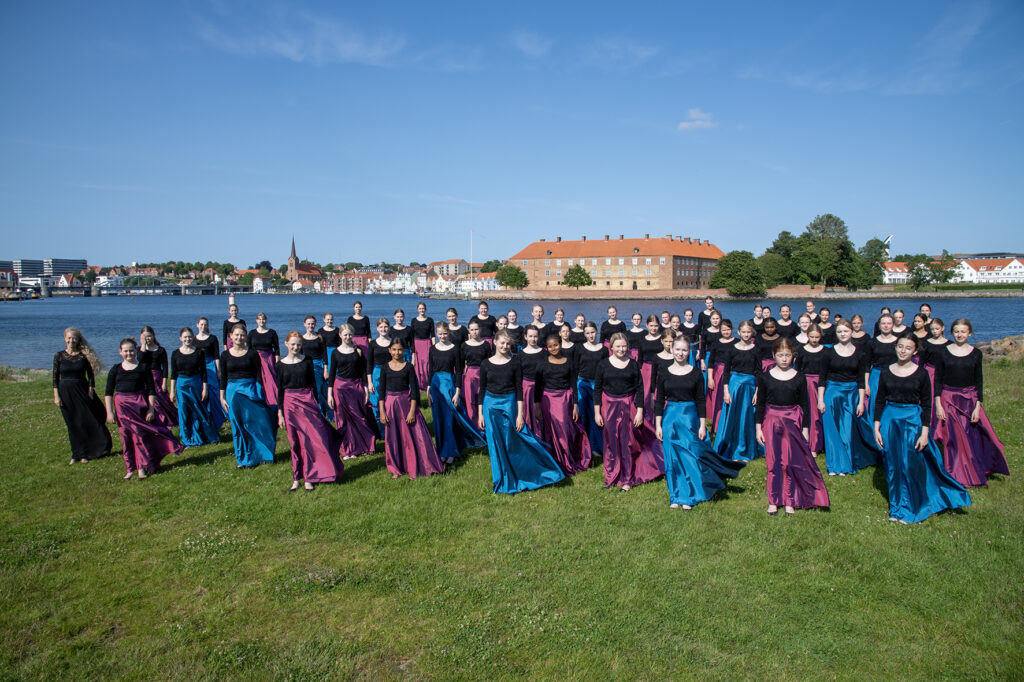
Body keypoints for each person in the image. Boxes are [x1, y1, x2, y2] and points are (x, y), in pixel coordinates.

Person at [873, 336, 971, 524]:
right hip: (889, 421)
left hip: (912, 421)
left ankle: (914, 507)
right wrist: (877, 427)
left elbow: (927, 405)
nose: (902, 350)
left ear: (914, 351)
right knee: (893, 466)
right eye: (900, 346)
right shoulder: (886, 371)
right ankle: (896, 507)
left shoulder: (921, 373)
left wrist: (925, 432)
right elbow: (879, 401)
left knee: (910, 465)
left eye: (907, 348)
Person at [655, 337, 744, 509]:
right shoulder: (664, 372)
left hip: (689, 418)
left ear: (689, 352)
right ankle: (676, 496)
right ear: (672, 349)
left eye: (684, 350)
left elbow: (701, 401)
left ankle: (691, 494)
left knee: (691, 455)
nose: (680, 353)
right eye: (677, 349)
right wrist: (658, 425)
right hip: (669, 419)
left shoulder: (695, 373)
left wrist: (703, 425)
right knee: (672, 458)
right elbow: (659, 400)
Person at [478, 331, 566, 494]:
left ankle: (541, 471)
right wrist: (480, 414)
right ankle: (501, 479)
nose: (505, 346)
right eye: (502, 343)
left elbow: (519, 389)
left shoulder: (515, 362)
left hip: (509, 404)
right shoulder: (485, 364)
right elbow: (481, 391)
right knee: (495, 444)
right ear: (495, 342)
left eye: (507, 344)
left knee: (515, 440)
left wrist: (520, 415)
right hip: (490, 407)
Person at [756, 339, 830, 515]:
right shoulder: (765, 377)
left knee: (789, 462)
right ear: (774, 356)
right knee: (773, 462)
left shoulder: (799, 377)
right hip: (771, 422)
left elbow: (806, 405)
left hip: (792, 421)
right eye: (780, 355)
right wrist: (758, 427)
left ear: (793, 357)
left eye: (787, 355)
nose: (783, 359)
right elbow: (760, 404)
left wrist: (805, 429)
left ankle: (789, 499)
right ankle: (774, 500)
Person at [933, 319, 1009, 487]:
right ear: (952, 332)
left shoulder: (976, 354)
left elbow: (978, 380)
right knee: (953, 438)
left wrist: (977, 405)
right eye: (957, 331)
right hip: (949, 399)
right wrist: (938, 404)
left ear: (970, 333)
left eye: (963, 331)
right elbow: (937, 380)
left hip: (969, 400)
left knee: (972, 436)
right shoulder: (943, 353)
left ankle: (975, 467)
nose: (960, 335)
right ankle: (954, 472)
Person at [594, 333, 665, 490]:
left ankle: (628, 478)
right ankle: (611, 476)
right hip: (609, 406)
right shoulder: (603, 365)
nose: (621, 349)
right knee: (611, 442)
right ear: (611, 347)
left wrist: (639, 412)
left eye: (624, 346)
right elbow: (597, 389)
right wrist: (597, 412)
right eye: (618, 346)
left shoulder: (633, 364)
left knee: (628, 442)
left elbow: (640, 389)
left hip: (628, 406)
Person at [106, 337, 183, 479]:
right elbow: (108, 392)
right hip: (122, 408)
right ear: (120, 352)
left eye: (131, 351)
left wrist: (151, 409)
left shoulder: (143, 367)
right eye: (126, 351)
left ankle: (141, 467)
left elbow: (151, 390)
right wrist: (109, 412)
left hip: (139, 407)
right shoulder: (115, 369)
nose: (129, 354)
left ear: (136, 351)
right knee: (126, 438)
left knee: (139, 437)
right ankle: (129, 468)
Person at [277, 331, 344, 491]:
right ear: (286, 344)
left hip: (307, 402)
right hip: (289, 404)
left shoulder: (307, 361)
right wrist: (280, 413)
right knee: (294, 442)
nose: (295, 347)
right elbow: (280, 390)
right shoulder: (280, 364)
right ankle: (296, 477)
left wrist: (316, 405)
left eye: (298, 345)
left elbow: (313, 386)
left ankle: (309, 477)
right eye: (293, 344)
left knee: (309, 440)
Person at [817, 319, 880, 476]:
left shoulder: (860, 354)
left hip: (851, 394)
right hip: (832, 393)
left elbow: (860, 381)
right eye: (839, 332)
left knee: (846, 430)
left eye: (845, 331)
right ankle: (833, 466)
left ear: (851, 332)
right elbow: (822, 378)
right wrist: (820, 399)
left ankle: (845, 464)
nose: (842, 334)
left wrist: (860, 402)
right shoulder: (828, 352)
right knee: (832, 431)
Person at [379, 339, 444, 479]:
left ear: (404, 351)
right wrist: (382, 411)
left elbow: (414, 391)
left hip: (406, 404)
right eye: (394, 349)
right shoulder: (384, 368)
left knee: (413, 436)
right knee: (394, 438)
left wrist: (412, 411)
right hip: (391, 405)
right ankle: (396, 468)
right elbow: (381, 392)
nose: (397, 352)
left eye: (400, 349)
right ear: (389, 350)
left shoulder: (408, 367)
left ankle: (416, 464)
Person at [219, 324, 276, 468]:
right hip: (232, 393)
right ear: (231, 336)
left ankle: (261, 454)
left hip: (249, 390)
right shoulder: (225, 355)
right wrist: (222, 397)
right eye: (236, 335)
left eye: (242, 335)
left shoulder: (252, 353)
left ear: (246, 336)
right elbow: (223, 378)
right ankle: (242, 459)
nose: (239, 337)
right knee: (237, 427)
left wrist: (258, 393)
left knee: (255, 423)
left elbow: (258, 376)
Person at [428, 322, 485, 464]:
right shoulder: (433, 349)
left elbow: (459, 371)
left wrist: (457, 391)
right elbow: (430, 370)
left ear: (449, 333)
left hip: (449, 385)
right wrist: (428, 390)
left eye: (445, 333)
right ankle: (441, 450)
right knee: (438, 419)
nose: (442, 336)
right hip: (435, 385)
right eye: (440, 334)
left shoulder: (455, 349)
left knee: (449, 418)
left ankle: (451, 450)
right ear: (436, 333)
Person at [53, 327, 111, 464]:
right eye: (69, 338)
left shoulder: (83, 356)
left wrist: (91, 389)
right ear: (64, 339)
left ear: (78, 339)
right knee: (71, 423)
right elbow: (55, 377)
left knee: (83, 421)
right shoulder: (59, 356)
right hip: (65, 392)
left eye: (74, 338)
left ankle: (85, 453)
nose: (71, 340)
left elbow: (90, 375)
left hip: (81, 391)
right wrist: (56, 395)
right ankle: (75, 454)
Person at [535, 334, 591, 475]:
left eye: (556, 345)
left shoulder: (569, 362)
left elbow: (574, 385)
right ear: (547, 348)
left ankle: (567, 459)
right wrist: (537, 406)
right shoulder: (542, 363)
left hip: (565, 399)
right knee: (551, 431)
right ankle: (554, 460)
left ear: (560, 344)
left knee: (565, 429)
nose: (553, 348)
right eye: (550, 346)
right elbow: (537, 387)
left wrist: (575, 405)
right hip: (548, 400)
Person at [327, 324, 379, 459]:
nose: (348, 337)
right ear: (340, 335)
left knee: (359, 417)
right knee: (342, 420)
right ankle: (347, 449)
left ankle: (365, 445)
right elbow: (332, 374)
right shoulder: (335, 352)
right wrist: (330, 393)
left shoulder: (358, 350)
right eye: (345, 334)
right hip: (340, 388)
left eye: (350, 334)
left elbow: (363, 371)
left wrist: (366, 389)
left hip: (356, 386)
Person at [715, 321, 764, 462]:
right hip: (734, 386)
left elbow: (759, 372)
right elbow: (726, 372)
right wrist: (726, 391)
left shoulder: (756, 349)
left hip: (750, 386)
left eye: (749, 332)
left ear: (752, 333)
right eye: (744, 332)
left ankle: (746, 448)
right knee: (732, 417)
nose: (746, 335)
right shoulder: (732, 349)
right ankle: (730, 447)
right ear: (739, 332)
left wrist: (757, 392)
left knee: (746, 417)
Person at [169, 327, 219, 447]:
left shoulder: (199, 352)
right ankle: (187, 438)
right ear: (181, 338)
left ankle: (204, 435)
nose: (188, 339)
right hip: (182, 386)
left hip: (196, 383)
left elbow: (203, 372)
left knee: (199, 410)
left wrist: (205, 388)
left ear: (193, 338)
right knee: (184, 412)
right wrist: (172, 391)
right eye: (185, 337)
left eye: (190, 337)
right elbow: (174, 374)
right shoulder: (175, 353)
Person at [137, 326, 178, 428]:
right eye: (145, 336)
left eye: (149, 336)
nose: (148, 339)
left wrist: (164, 382)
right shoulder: (139, 349)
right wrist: (143, 346)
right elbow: (140, 360)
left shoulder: (160, 350)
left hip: (157, 376)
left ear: (153, 336)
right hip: (144, 376)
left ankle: (169, 419)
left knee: (162, 399)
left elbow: (165, 367)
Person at [795, 324, 826, 455]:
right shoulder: (801, 350)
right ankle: (807, 443)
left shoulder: (825, 351)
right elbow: (797, 369)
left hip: (820, 384)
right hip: (805, 383)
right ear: (807, 336)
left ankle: (818, 444)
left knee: (818, 414)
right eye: (812, 337)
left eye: (817, 337)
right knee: (805, 412)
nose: (814, 340)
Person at [576, 322, 605, 456]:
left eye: (592, 332)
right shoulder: (579, 348)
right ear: (584, 334)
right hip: (583, 384)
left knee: (597, 416)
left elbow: (606, 369)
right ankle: (584, 446)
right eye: (587, 333)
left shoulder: (603, 349)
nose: (591, 335)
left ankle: (597, 446)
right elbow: (575, 368)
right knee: (583, 415)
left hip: (598, 386)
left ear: (596, 331)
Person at [195, 317, 227, 430]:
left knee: (213, 390)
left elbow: (216, 356)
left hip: (211, 365)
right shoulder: (193, 339)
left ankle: (218, 414)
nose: (203, 326)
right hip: (199, 367)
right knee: (201, 390)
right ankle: (205, 413)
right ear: (197, 325)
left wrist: (218, 370)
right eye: (201, 324)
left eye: (205, 324)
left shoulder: (213, 339)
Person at [866, 314, 899, 419]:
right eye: (883, 323)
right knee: (875, 404)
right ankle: (873, 431)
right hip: (876, 376)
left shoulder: (899, 342)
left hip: (894, 376)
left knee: (891, 404)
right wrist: (866, 384)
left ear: (893, 325)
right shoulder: (872, 342)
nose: (886, 326)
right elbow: (867, 365)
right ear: (879, 325)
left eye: (889, 323)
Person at [247, 312, 281, 417]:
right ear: (256, 320)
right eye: (259, 319)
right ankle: (259, 404)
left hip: (268, 359)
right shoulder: (252, 333)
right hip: (256, 359)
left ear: (266, 320)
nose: (261, 321)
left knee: (271, 382)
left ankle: (274, 404)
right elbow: (248, 349)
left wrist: (277, 363)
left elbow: (277, 349)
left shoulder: (272, 333)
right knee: (258, 382)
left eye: (263, 319)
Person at [300, 315, 332, 421]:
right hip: (307, 367)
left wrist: (326, 369)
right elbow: (299, 356)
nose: (311, 326)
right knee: (312, 391)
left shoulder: (320, 338)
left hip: (319, 366)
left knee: (322, 390)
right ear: (304, 324)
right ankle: (317, 413)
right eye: (308, 323)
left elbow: (325, 355)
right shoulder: (301, 339)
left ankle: (328, 413)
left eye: (312, 323)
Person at [705, 318, 735, 430]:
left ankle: (730, 422)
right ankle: (717, 425)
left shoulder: (736, 342)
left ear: (732, 330)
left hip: (732, 374)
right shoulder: (716, 343)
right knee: (718, 399)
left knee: (731, 397)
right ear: (720, 331)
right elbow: (711, 362)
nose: (726, 332)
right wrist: (710, 378)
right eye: (724, 330)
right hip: (718, 373)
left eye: (728, 329)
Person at [365, 318, 393, 433]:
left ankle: (391, 429)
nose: (383, 329)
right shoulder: (372, 344)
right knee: (376, 403)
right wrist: (370, 382)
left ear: (389, 328)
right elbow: (369, 363)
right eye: (381, 327)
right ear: (377, 328)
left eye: (385, 326)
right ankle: (380, 431)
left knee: (389, 402)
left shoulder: (393, 342)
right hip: (376, 375)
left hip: (391, 374)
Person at [460, 321, 490, 427]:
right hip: (469, 376)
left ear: (480, 329)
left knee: (482, 400)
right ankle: (473, 427)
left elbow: (489, 362)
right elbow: (461, 364)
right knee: (470, 401)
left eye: (476, 329)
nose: (474, 332)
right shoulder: (464, 345)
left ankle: (484, 425)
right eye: (472, 330)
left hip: (483, 374)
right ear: (469, 331)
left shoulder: (486, 344)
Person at [411, 302, 436, 389]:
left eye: (423, 308)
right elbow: (412, 336)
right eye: (420, 308)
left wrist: (434, 348)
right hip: (417, 344)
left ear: (425, 309)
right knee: (417, 366)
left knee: (427, 364)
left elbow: (433, 335)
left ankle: (427, 384)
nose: (421, 310)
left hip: (427, 344)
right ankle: (419, 385)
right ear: (417, 309)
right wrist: (413, 351)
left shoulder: (430, 320)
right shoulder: (413, 320)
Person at [698, 309, 722, 383]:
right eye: (713, 318)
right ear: (710, 319)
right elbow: (702, 348)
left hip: (720, 357)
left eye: (717, 318)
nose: (715, 320)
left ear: (720, 319)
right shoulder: (705, 332)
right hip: (708, 357)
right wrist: (702, 361)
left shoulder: (722, 331)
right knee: (707, 380)